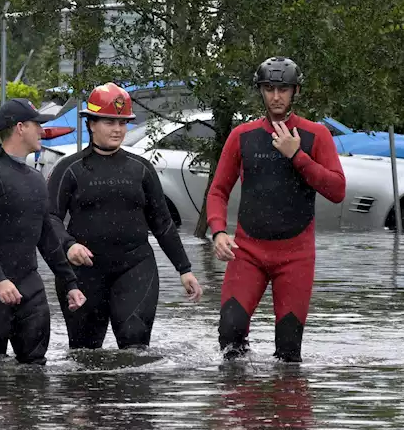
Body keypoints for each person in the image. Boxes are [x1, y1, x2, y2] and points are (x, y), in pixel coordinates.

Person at [209, 57, 347, 363]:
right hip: (247, 251)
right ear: (260, 91)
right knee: (229, 335)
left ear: (295, 90)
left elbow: (337, 191)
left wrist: (297, 155)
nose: (275, 96)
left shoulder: (316, 135)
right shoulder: (242, 136)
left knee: (288, 352)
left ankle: (283, 407)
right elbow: (218, 190)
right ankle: (240, 404)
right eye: (268, 88)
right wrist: (218, 231)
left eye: (282, 89)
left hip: (295, 255)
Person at [48, 83, 203, 350]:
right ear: (91, 123)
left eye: (123, 122)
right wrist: (68, 245)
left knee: (134, 345)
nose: (118, 129)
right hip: (84, 272)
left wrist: (184, 269)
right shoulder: (69, 169)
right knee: (85, 354)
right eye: (110, 122)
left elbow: (163, 224)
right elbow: (49, 219)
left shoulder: (141, 170)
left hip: (135, 267)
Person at [0, 98, 86, 365]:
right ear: (20, 127)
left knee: (35, 369)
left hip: (30, 286)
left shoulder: (36, 179)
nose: (42, 130)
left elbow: (47, 238)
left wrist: (70, 283)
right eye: (36, 124)